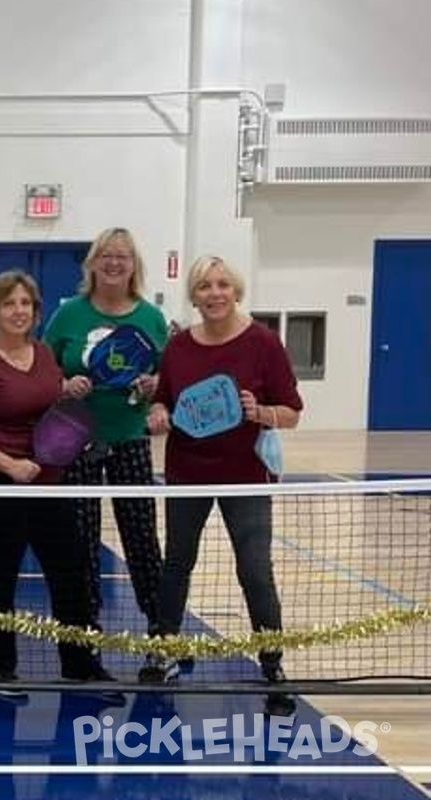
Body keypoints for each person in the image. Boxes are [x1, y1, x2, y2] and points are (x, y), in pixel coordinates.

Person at [140, 255, 302, 702]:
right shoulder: (178, 348)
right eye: (205, 286)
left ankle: (272, 664)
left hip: (245, 476)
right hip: (188, 472)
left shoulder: (264, 343)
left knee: (254, 569)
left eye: (222, 285)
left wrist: (261, 412)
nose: (214, 293)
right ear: (193, 295)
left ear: (236, 290)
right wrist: (157, 413)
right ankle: (163, 652)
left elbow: (291, 413)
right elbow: (163, 401)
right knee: (177, 563)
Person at [0, 270, 112, 692]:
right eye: (9, 304)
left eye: (26, 303)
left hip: (47, 483)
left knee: (70, 572)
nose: (19, 311)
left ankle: (79, 663)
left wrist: (69, 413)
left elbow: (48, 405)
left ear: (36, 311)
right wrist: (10, 466)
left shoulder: (42, 355)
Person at [42, 227, 168, 640]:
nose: (114, 263)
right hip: (77, 439)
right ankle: (85, 624)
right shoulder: (69, 314)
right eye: (106, 256)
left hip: (129, 438)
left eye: (123, 257)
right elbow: (42, 370)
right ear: (92, 264)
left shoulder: (150, 317)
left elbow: (168, 374)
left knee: (141, 536)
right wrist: (63, 385)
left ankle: (160, 625)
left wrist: (156, 388)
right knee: (81, 536)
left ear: (134, 266)